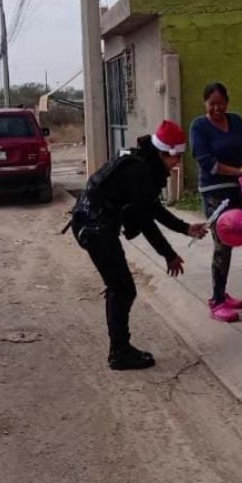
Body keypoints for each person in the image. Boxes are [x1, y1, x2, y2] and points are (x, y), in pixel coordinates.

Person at [69, 120, 208, 370]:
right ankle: (120, 352)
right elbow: (145, 221)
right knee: (122, 289)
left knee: (120, 287)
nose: (177, 164)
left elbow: (151, 207)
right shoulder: (139, 171)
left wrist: (186, 228)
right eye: (177, 158)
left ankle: (120, 349)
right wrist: (169, 254)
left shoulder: (144, 165)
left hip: (96, 224)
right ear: (166, 152)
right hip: (95, 227)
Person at [189, 82, 242, 323]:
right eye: (212, 104)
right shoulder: (199, 126)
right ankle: (217, 300)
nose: (217, 108)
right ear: (204, 104)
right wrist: (239, 171)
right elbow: (207, 162)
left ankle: (229, 293)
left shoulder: (237, 121)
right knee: (223, 242)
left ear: (227, 103)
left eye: (221, 103)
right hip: (215, 192)